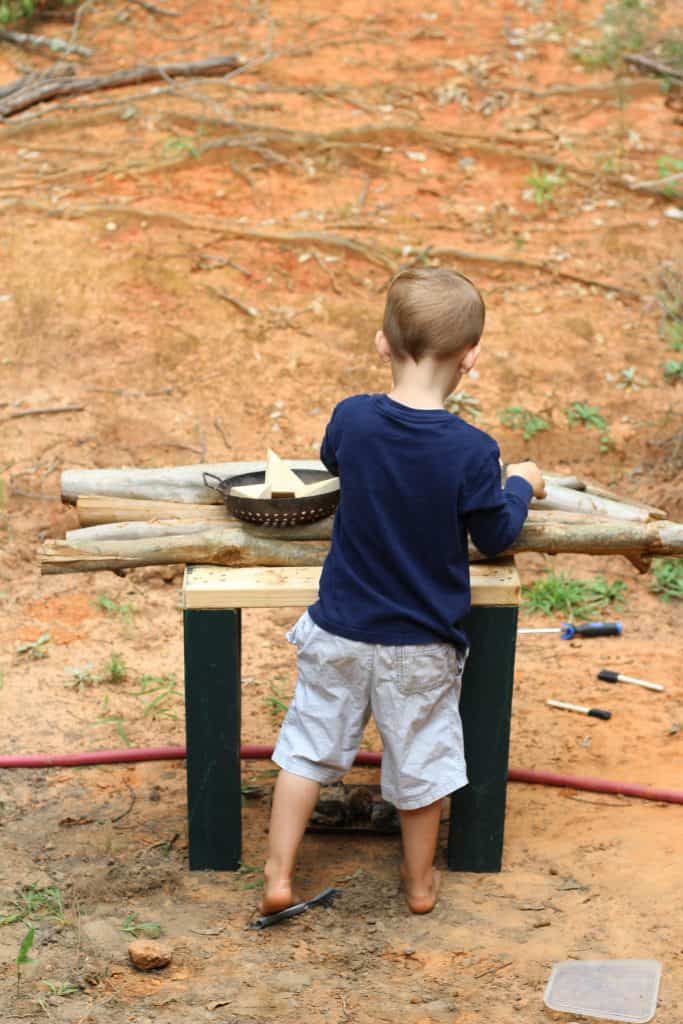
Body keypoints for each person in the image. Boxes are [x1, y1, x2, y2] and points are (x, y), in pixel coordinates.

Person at [261, 267, 545, 916]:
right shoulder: (472, 452)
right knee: (420, 763)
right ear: (470, 356)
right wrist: (521, 481)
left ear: (382, 344)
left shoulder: (353, 419)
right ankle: (419, 886)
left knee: (305, 751)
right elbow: (496, 533)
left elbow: (334, 460)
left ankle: (278, 876)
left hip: (338, 630)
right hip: (419, 645)